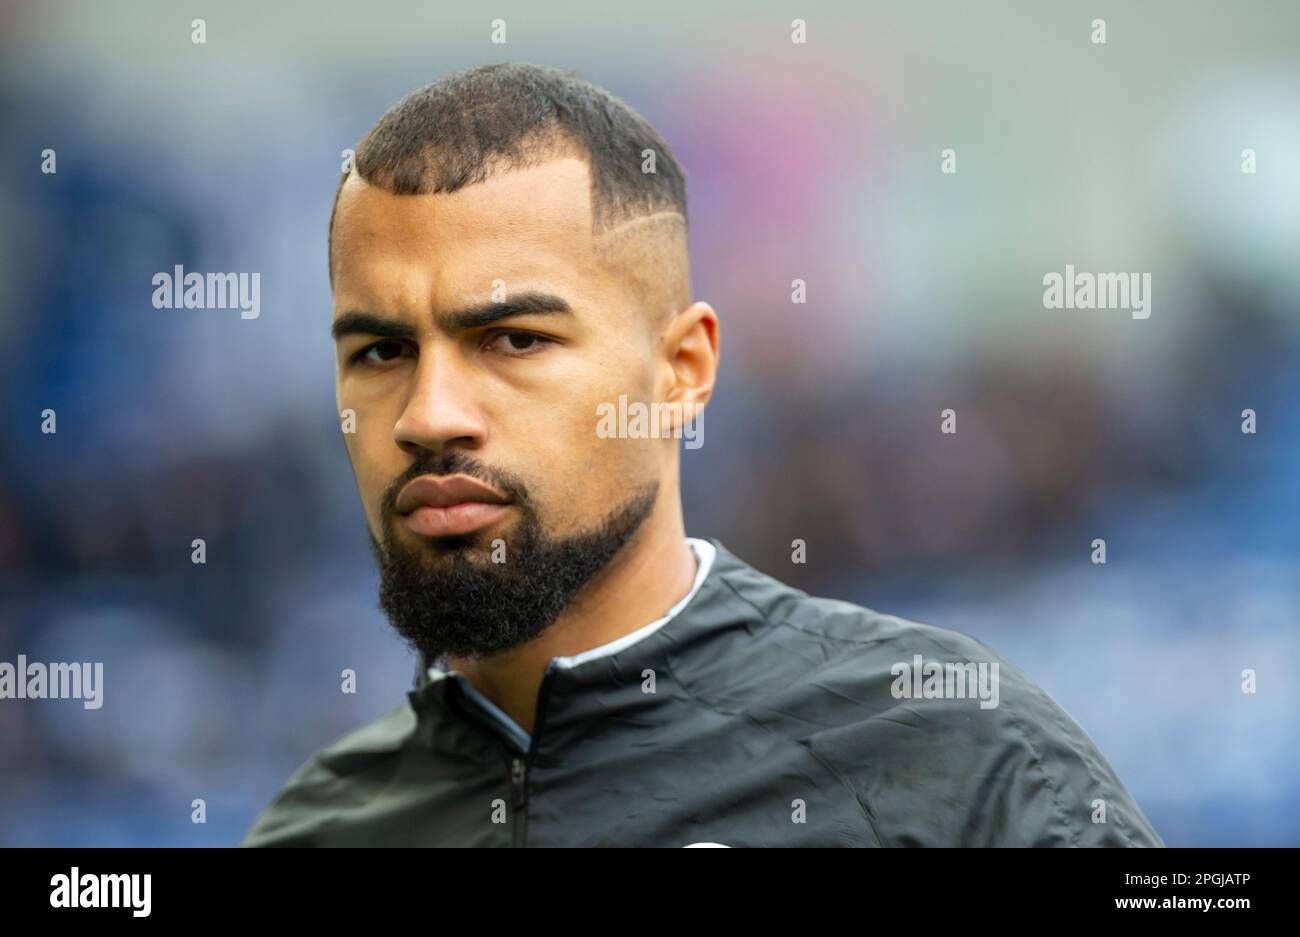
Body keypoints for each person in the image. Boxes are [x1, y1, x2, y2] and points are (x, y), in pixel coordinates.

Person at [242, 62, 1163, 847]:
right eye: (381, 352)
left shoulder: (961, 768)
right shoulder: (315, 829)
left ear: (681, 371)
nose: (429, 415)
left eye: (514, 339)